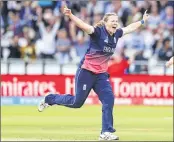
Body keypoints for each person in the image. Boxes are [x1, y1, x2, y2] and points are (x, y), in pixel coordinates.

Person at [38, 6, 149, 141]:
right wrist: (71, 16)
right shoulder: (97, 32)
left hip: (101, 75)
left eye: (116, 21)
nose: (115, 23)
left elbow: (130, 28)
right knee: (77, 103)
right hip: (86, 72)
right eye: (112, 21)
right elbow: (83, 26)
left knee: (109, 99)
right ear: (105, 22)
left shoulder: (117, 34)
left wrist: (142, 21)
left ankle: (105, 132)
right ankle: (50, 99)